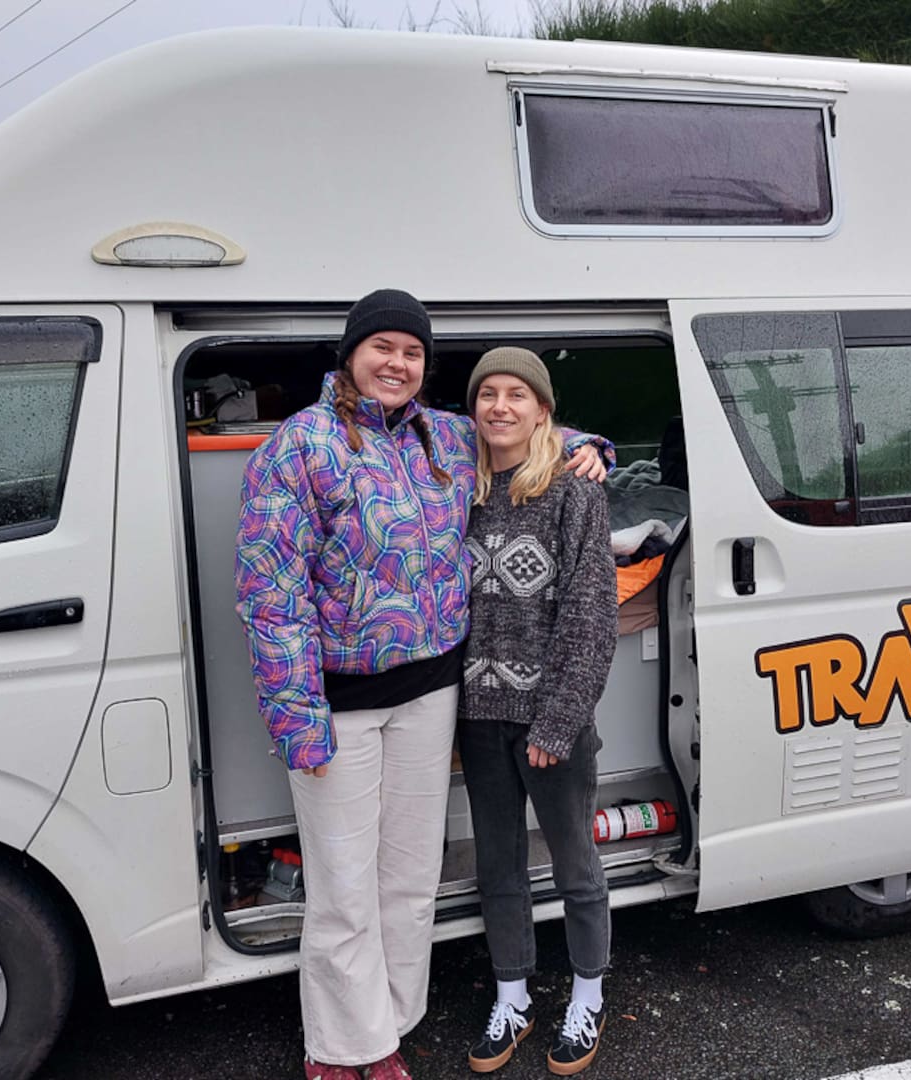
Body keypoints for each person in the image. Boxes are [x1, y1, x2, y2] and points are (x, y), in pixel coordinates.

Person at [234, 291, 610, 1080]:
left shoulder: (442, 438)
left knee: (409, 878)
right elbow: (271, 595)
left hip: (437, 695)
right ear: (351, 356)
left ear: (423, 368)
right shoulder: (299, 447)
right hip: (341, 705)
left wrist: (590, 445)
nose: (397, 364)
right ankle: (342, 1050)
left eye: (411, 352)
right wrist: (296, 718)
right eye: (383, 349)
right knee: (343, 887)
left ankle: (390, 1028)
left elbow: (524, 427)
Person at [456, 348, 620, 1076]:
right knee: (499, 867)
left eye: (516, 394)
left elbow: (591, 615)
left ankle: (588, 995)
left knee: (576, 865)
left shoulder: (573, 490)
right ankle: (513, 996)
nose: (499, 407)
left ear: (542, 410)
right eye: (487, 394)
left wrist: (557, 721)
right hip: (480, 717)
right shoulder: (459, 485)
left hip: (551, 721)